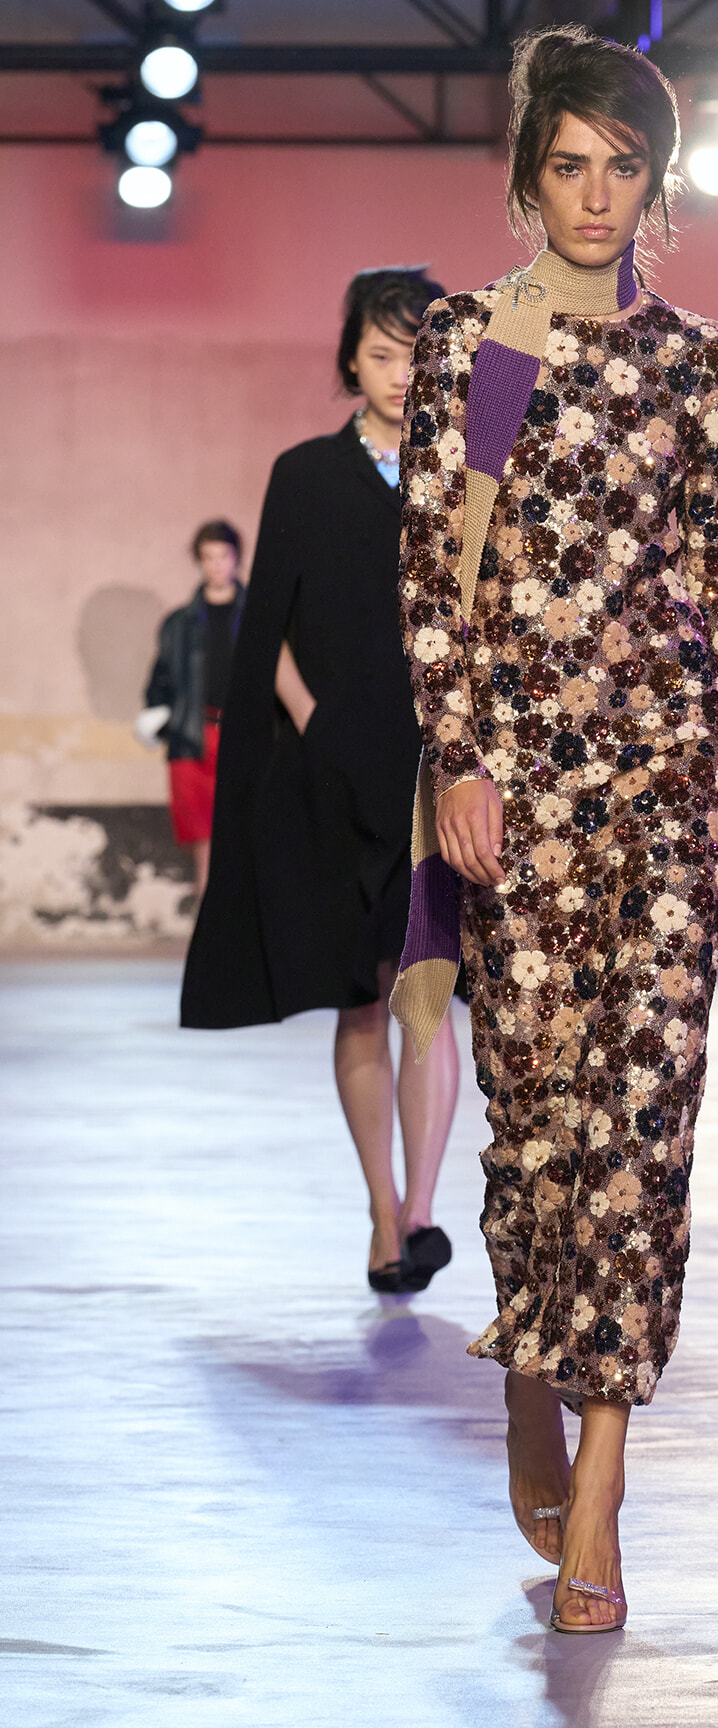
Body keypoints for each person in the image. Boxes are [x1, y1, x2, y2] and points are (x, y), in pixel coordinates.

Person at [394, 25, 718, 1634]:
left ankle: (607, 1487)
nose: (596, 194)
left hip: (671, 788)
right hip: (522, 799)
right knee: (540, 1122)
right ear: (527, 176)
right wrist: (460, 762)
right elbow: (435, 583)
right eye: (570, 164)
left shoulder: (701, 364)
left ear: (657, 183)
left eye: (625, 167)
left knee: (646, 1135)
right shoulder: (474, 345)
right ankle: (526, 1378)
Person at [181, 267, 461, 1296]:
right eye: (381, 354)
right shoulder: (303, 475)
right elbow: (268, 631)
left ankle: (423, 1210)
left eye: (417, 354)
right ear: (351, 359)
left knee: (430, 996)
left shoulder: (468, 477)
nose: (400, 374)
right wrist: (317, 726)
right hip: (338, 775)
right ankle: (383, 1213)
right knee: (363, 1003)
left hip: (440, 774)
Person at [138, 519, 245, 898]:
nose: (216, 565)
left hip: (244, 737)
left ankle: (237, 925)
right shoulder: (178, 624)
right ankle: (207, 924)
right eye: (208, 557)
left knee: (243, 835)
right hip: (193, 738)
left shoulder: (258, 617)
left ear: (236, 558)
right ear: (198, 562)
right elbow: (159, 684)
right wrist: (158, 719)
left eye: (223, 556)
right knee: (204, 844)